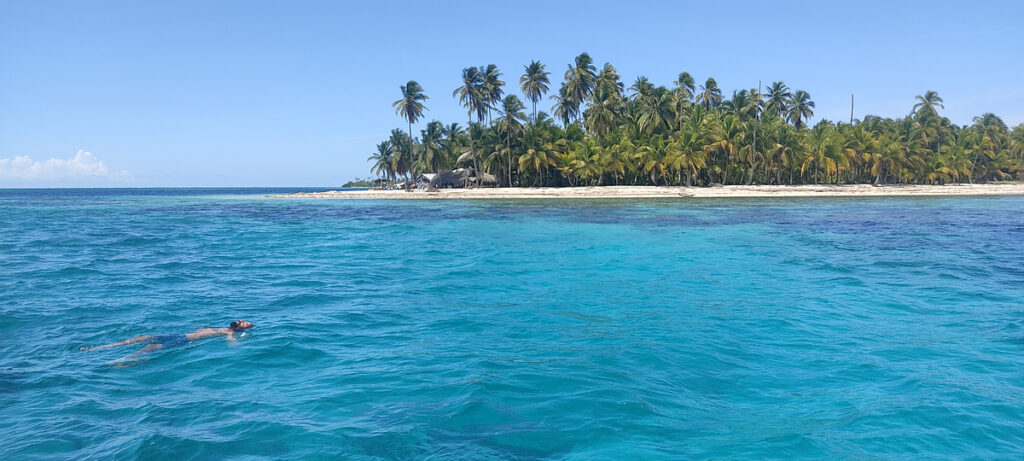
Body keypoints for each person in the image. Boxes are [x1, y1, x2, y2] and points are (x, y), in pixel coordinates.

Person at [81, 320, 254, 355]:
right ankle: (99, 348)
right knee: (143, 337)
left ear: (239, 329)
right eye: (243, 320)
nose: (242, 321)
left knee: (150, 348)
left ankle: (128, 358)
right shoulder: (222, 327)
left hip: (185, 340)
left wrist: (236, 345)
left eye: (245, 323)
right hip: (180, 335)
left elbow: (231, 343)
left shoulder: (230, 333)